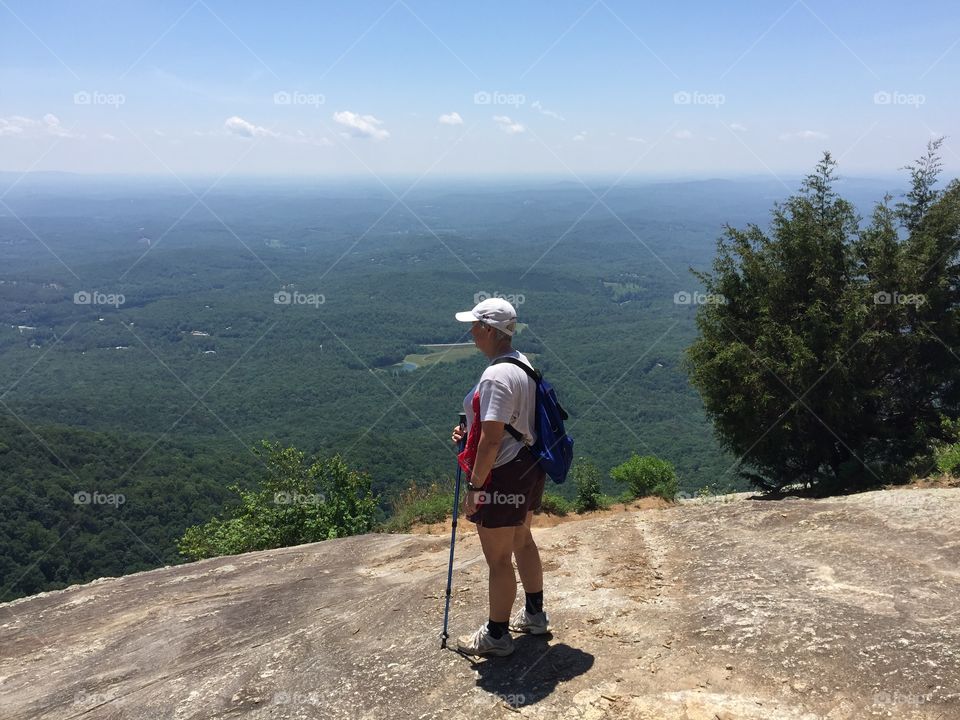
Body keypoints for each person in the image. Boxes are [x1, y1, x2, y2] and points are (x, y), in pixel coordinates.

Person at [451, 297, 549, 657]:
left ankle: (496, 636)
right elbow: (504, 425)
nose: (471, 332)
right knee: (523, 540)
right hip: (528, 466)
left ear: (489, 330)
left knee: (497, 560)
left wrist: (476, 487)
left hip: (502, 475)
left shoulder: (494, 374)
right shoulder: (522, 362)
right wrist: (469, 431)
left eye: (475, 326)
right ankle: (535, 616)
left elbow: (492, 440)